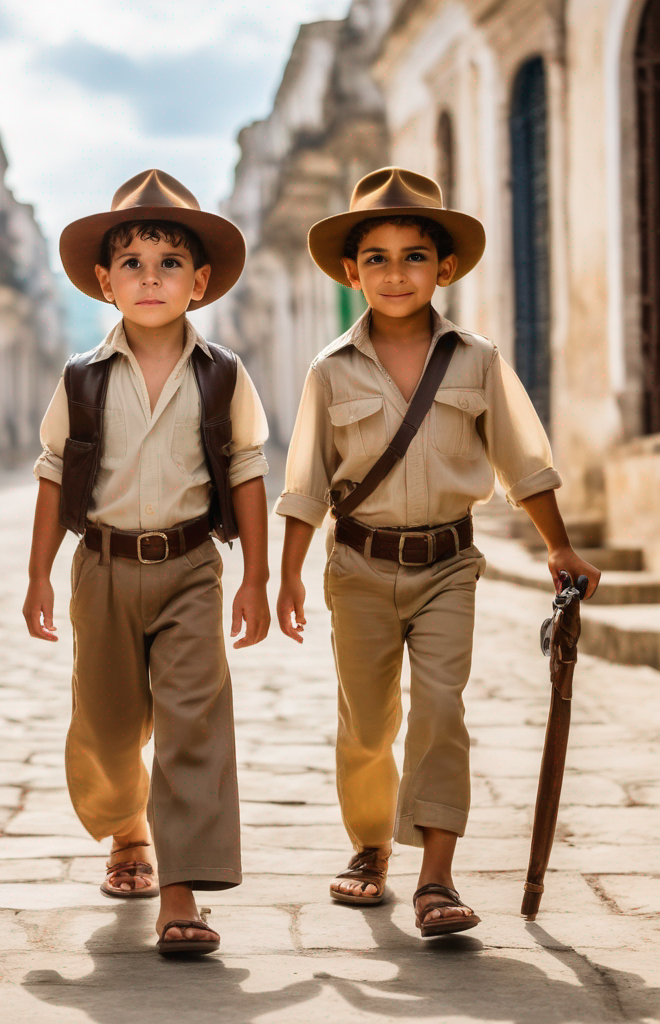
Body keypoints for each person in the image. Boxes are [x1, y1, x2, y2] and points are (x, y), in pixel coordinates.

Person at [274, 167, 601, 937]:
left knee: (441, 712)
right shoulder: (329, 370)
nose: (396, 273)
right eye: (377, 259)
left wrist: (559, 545)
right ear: (351, 273)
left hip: (449, 566)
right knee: (366, 722)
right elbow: (305, 484)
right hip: (355, 568)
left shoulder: (477, 360)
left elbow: (525, 460)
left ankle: (436, 876)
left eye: (414, 255)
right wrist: (284, 572)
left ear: (444, 267)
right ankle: (369, 845)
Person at [22, 169, 271, 956]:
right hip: (99, 568)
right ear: (104, 281)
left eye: (170, 263)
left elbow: (249, 474)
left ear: (199, 282)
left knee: (195, 723)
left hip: (192, 566)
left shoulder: (222, 374)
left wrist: (257, 578)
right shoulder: (81, 377)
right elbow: (54, 473)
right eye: (132, 262)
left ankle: (180, 892)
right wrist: (35, 576)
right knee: (105, 728)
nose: (151, 278)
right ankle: (126, 832)